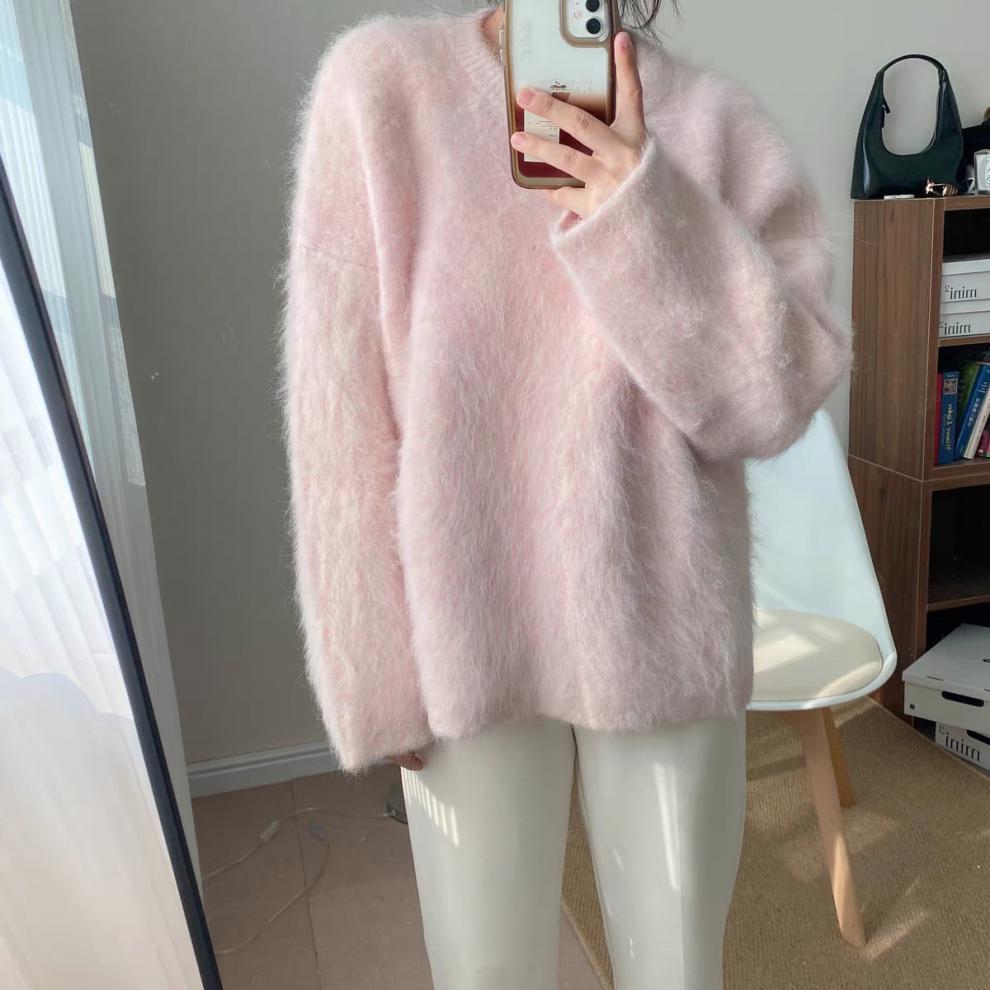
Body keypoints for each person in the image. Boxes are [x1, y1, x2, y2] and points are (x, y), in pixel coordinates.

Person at [280, 2, 854, 987]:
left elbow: (772, 403)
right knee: (486, 973)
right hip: (465, 631)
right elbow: (337, 412)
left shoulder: (716, 124)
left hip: (664, 624)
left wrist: (643, 208)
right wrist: (370, 672)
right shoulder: (382, 89)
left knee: (677, 971)